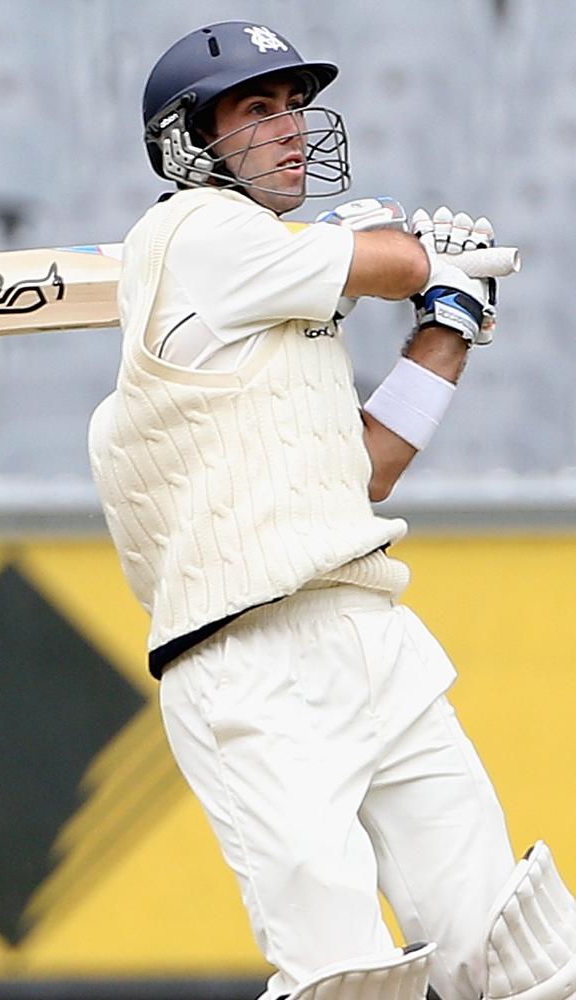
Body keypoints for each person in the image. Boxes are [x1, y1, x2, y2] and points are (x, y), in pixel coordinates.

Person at [88, 20, 576, 1000]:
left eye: (294, 107)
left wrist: (448, 327)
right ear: (192, 140)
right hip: (246, 664)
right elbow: (390, 262)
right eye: (256, 110)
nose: (287, 128)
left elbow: (365, 468)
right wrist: (422, 255)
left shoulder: (283, 308)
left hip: (369, 635)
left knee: (515, 961)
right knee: (346, 982)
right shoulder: (189, 231)